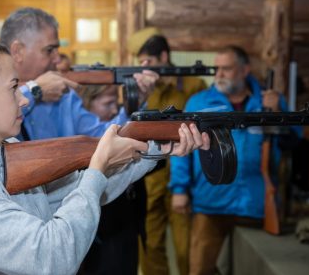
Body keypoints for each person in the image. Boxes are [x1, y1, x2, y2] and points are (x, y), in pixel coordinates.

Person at [0, 34, 210, 275]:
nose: (24, 100)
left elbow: (74, 192)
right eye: (14, 88)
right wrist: (96, 170)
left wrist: (155, 148)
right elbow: (52, 257)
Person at [169, 45, 294, 275]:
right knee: (200, 269)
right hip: (210, 203)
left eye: (226, 68)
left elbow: (293, 144)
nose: (219, 74)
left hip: (256, 204)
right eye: (216, 68)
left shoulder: (269, 101)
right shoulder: (198, 102)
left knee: (255, 267)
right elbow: (181, 151)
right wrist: (179, 189)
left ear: (244, 70)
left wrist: (277, 115)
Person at [0, 7, 159, 140]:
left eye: (57, 49)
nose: (57, 59)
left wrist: (133, 105)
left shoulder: (65, 97)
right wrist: (35, 91)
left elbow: (101, 138)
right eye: (49, 50)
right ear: (18, 51)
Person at [127, 27, 207, 275]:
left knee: (186, 249)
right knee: (150, 247)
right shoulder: (145, 87)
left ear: (164, 56)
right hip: (151, 178)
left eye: (148, 61)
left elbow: (202, 133)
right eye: (140, 63)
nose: (144, 68)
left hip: (183, 179)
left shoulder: (194, 85)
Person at [77, 85, 146, 275]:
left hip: (127, 223)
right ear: (86, 108)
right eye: (107, 104)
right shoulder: (77, 148)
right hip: (101, 233)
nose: (115, 110)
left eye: (116, 103)